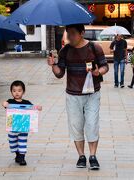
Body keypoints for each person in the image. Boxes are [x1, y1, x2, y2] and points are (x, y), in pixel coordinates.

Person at [47, 24, 109, 170]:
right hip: (73, 95)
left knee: (92, 124)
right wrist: (52, 65)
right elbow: (60, 73)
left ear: (82, 33)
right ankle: (81, 156)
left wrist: (98, 72)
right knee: (76, 126)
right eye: (68, 34)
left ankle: (93, 156)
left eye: (72, 34)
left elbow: (105, 66)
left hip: (92, 94)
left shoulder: (94, 48)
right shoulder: (65, 50)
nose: (69, 37)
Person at [2, 80, 42, 166]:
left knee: (22, 142)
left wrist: (38, 107)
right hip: (12, 128)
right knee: (13, 143)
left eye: (19, 91)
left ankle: (22, 158)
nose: (17, 93)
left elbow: (33, 108)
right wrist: (4, 104)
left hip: (23, 127)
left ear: (23, 92)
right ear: (11, 92)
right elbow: (4, 104)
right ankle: (17, 154)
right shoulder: (10, 102)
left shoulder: (26, 103)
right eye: (14, 91)